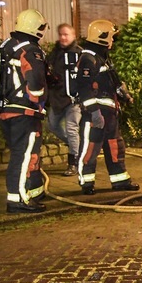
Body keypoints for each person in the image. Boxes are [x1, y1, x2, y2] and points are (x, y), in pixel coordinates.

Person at [76, 19, 139, 195]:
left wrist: (125, 96)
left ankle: (120, 181)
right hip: (95, 114)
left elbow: (113, 80)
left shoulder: (101, 56)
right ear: (102, 37)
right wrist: (95, 113)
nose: (113, 39)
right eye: (111, 36)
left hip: (110, 114)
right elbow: (84, 88)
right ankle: (86, 183)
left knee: (115, 147)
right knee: (90, 148)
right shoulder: (88, 59)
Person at [0, 9, 49, 213]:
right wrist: (39, 100)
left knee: (26, 153)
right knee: (22, 155)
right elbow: (35, 80)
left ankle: (33, 191)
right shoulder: (29, 49)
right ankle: (17, 199)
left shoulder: (6, 46)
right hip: (24, 111)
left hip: (5, 109)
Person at [46, 23, 83, 176]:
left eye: (66, 34)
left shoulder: (79, 53)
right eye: (60, 34)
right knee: (52, 125)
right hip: (57, 97)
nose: (62, 37)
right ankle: (77, 147)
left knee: (71, 128)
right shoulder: (54, 53)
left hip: (74, 99)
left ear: (73, 35)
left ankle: (73, 163)